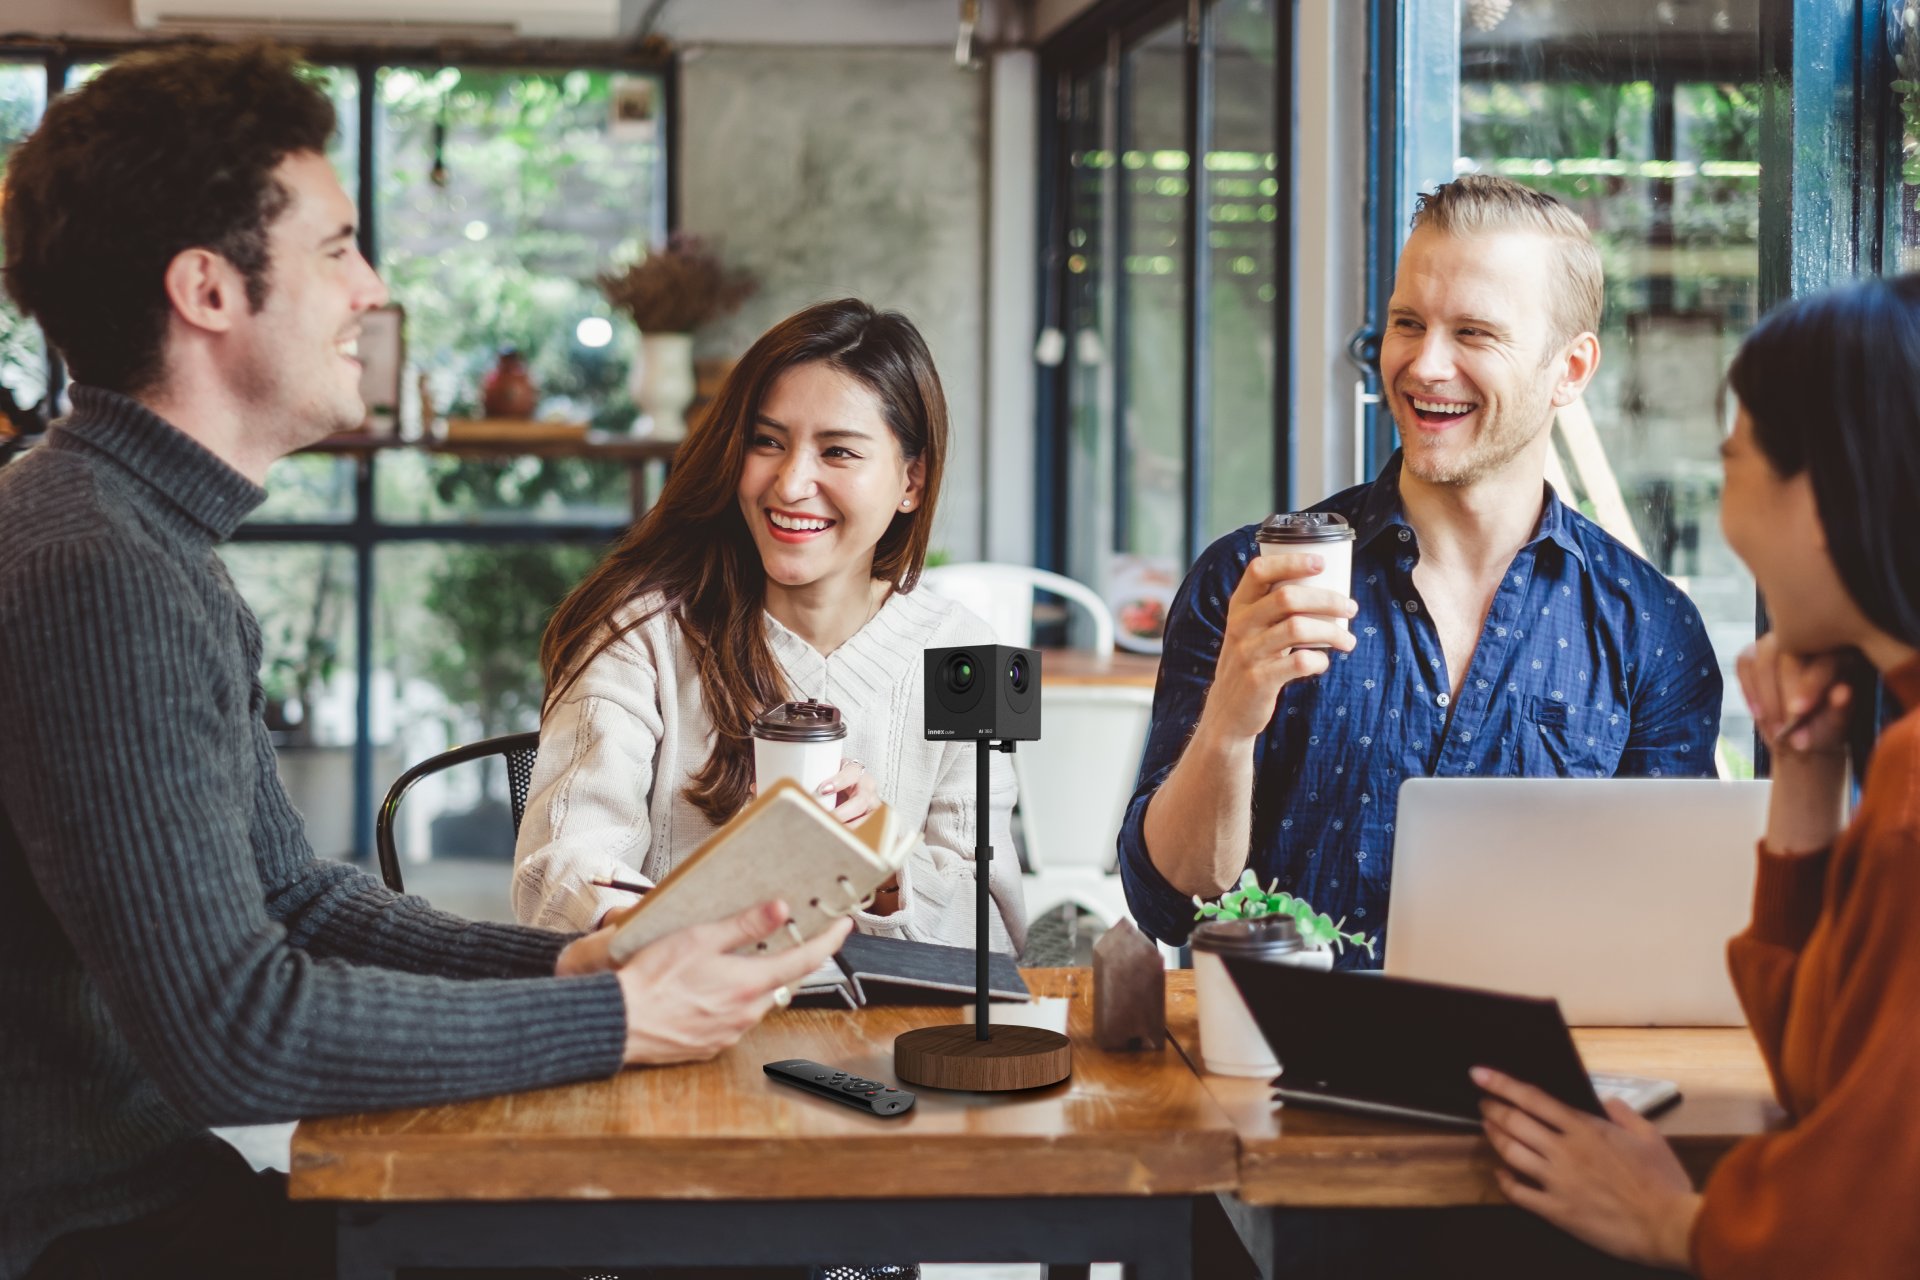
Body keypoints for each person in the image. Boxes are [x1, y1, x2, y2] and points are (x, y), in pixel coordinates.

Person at [0, 44, 849, 1280]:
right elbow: (232, 1032)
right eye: (338, 248)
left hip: (147, 1195)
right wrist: (617, 1015)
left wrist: (575, 958)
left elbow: (297, 899)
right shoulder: (97, 566)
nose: (373, 290)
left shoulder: (140, 535)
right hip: (87, 1232)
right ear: (208, 290)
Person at [1118, 174, 1722, 962]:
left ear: (1570, 370)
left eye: (1474, 333)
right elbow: (1172, 904)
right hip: (1277, 1070)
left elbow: (1673, 927)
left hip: (1525, 1071)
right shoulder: (1250, 577)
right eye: (1409, 323)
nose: (1425, 365)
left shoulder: (1651, 630)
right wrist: (1229, 727)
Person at [1474, 274, 1920, 1277]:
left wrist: (1671, 1221)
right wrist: (1806, 766)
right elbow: (1823, 1072)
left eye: (1734, 464)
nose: (1725, 518)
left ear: (1826, 498)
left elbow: (1874, 1216)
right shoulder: (1892, 756)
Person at [512, 299, 1026, 957]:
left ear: (911, 480)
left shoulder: (974, 654)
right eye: (767, 442)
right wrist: (655, 942)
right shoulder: (640, 638)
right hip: (681, 1026)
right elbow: (559, 872)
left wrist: (883, 867)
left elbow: (999, 932)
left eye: (837, 451)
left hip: (885, 1045)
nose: (789, 483)